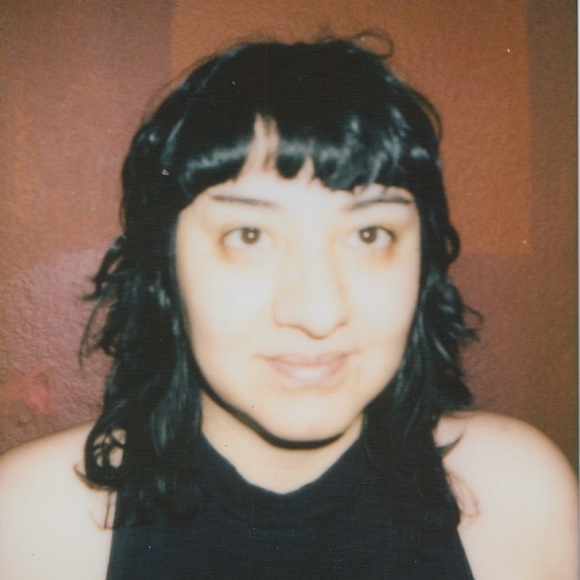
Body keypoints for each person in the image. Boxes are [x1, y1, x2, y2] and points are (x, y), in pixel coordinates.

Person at [0, 37, 576, 580]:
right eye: (249, 236)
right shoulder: (32, 525)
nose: (318, 313)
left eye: (370, 234)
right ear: (165, 268)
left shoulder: (514, 498)